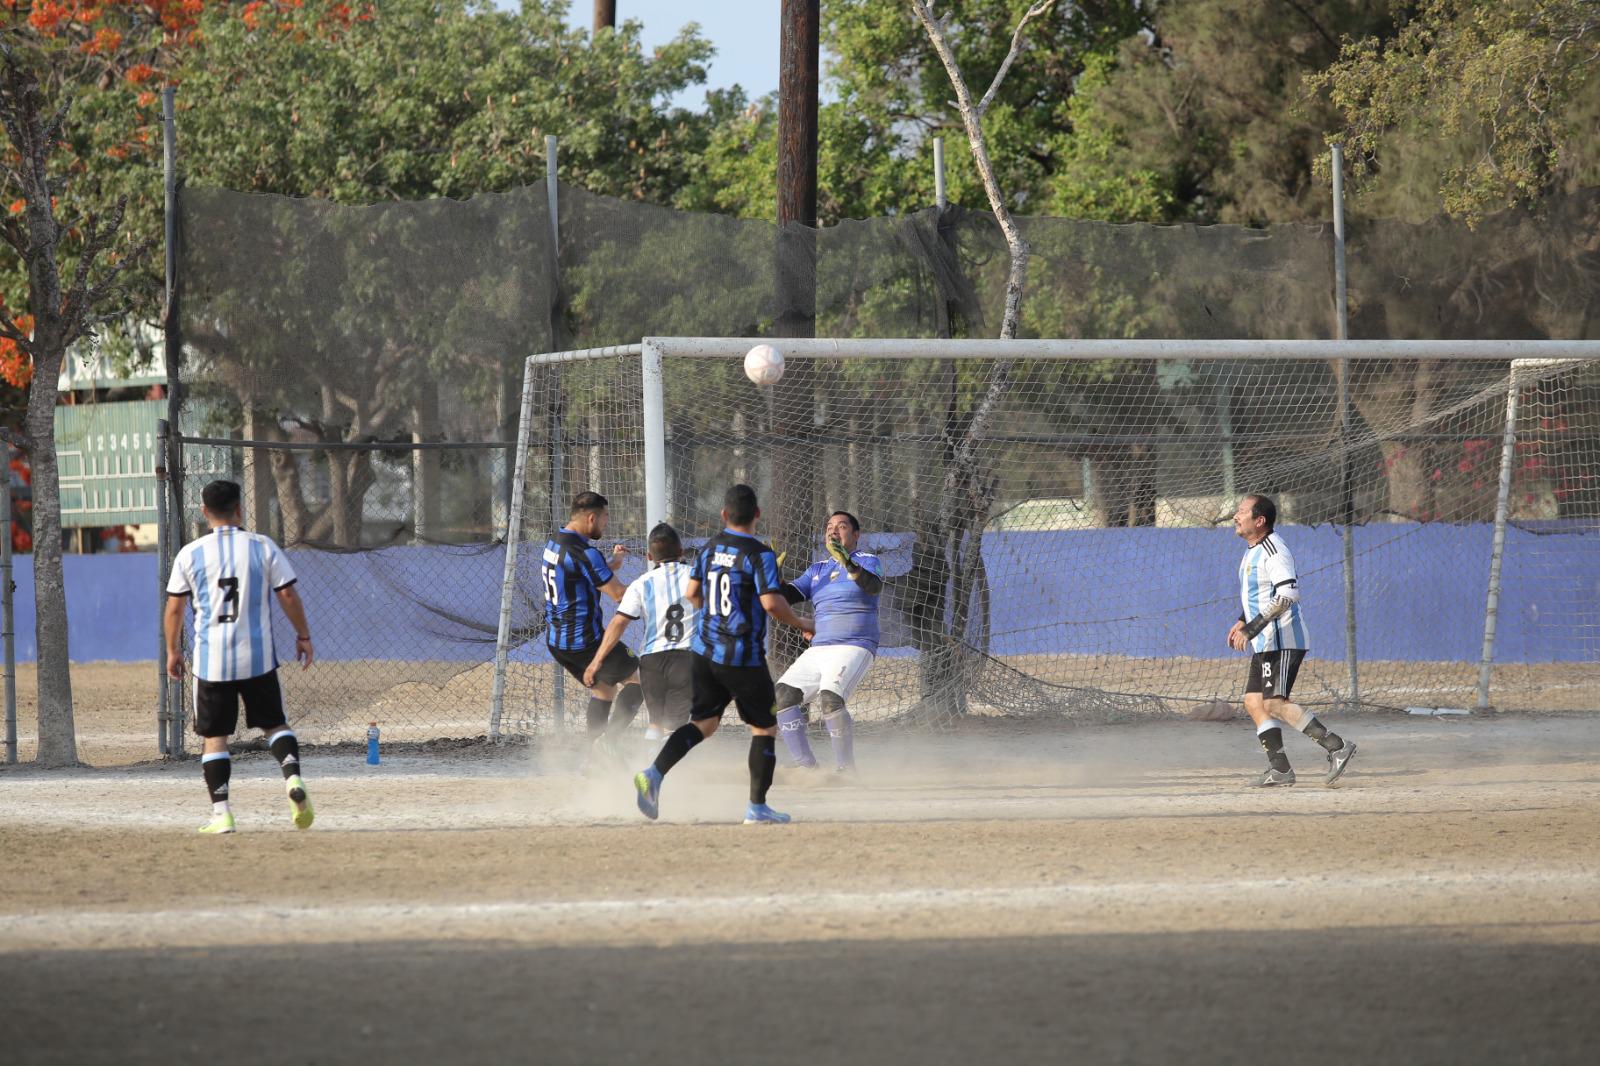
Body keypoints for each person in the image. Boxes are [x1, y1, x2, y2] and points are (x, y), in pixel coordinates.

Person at [632, 484, 815, 824]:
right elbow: (772, 604)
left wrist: (714, 617)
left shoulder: (709, 548)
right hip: (742, 657)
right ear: (757, 514)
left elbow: (692, 593)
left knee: (703, 723)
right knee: (764, 728)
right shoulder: (759, 554)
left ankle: (653, 773)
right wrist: (802, 621)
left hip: (704, 653)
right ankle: (757, 808)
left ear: (724, 515)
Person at [163, 479, 315, 834]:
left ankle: (222, 814)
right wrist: (304, 636)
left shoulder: (190, 553)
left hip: (212, 661)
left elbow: (175, 608)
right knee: (275, 724)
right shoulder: (262, 546)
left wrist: (173, 650)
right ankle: (292, 778)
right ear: (239, 510)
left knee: (215, 737)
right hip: (257, 657)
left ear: (204, 512)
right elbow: (287, 595)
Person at [1228, 494, 1357, 787]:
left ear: (1259, 521)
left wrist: (1252, 628)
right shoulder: (1253, 550)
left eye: (1242, 511)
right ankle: (1280, 769)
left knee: (1274, 703)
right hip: (1265, 642)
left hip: (1281, 638)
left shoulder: (1274, 549)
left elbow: (1287, 593)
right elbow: (1261, 593)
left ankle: (1337, 746)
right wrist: (1243, 620)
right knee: (1254, 701)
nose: (1236, 516)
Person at [774, 510, 883, 779]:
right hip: (820, 647)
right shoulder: (817, 569)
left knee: (830, 699)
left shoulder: (868, 560)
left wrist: (848, 563)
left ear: (856, 535)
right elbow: (786, 596)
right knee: (781, 697)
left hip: (854, 645)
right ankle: (806, 766)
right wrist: (772, 576)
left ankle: (847, 771)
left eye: (842, 526)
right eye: (829, 526)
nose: (833, 530)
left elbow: (873, 587)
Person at [542, 491, 644, 768]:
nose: (606, 523)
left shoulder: (554, 542)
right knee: (640, 682)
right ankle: (606, 745)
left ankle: (592, 759)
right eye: (605, 517)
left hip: (558, 640)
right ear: (591, 518)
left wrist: (612, 565)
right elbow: (619, 595)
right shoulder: (587, 553)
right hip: (584, 641)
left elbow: (577, 572)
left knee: (604, 690)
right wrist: (654, 585)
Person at [585, 522, 696, 740]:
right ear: (681, 552)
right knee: (674, 728)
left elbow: (618, 623)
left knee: (655, 723)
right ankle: (662, 761)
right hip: (685, 659)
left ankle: (647, 757)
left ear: (649, 557)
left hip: (651, 661)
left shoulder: (641, 583)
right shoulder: (697, 577)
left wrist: (597, 661)